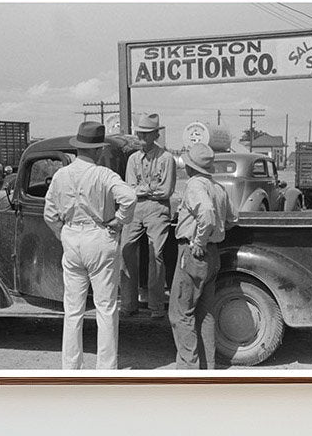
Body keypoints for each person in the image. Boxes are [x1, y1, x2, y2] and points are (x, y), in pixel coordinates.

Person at [43, 121, 136, 370]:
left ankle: (70, 368)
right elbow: (129, 197)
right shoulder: (104, 174)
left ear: (78, 148)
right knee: (105, 308)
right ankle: (106, 369)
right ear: (98, 149)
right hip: (99, 237)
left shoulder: (61, 175)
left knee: (72, 310)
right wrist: (119, 221)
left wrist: (63, 234)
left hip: (72, 237)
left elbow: (49, 214)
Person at [169, 142, 236, 369]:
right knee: (205, 313)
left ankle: (188, 370)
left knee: (181, 313)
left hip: (193, 253)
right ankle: (208, 368)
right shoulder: (217, 187)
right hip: (213, 255)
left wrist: (199, 241)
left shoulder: (195, 184)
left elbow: (206, 212)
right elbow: (232, 219)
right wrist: (213, 235)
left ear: (190, 167)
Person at [120, 112, 175, 318]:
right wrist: (149, 188)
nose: (141, 138)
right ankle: (128, 304)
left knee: (156, 255)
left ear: (155, 135)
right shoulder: (133, 158)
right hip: (136, 208)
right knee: (125, 250)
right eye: (139, 133)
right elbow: (130, 188)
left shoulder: (166, 158)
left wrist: (143, 189)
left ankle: (156, 306)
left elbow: (166, 191)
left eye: (146, 134)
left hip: (158, 209)